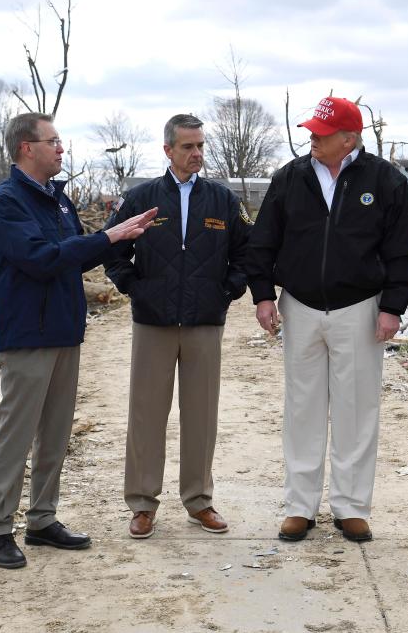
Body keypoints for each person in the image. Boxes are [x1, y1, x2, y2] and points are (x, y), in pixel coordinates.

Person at [0, 112, 156, 568]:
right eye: (53, 141)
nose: (61, 148)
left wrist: (122, 237)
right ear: (26, 148)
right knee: (17, 436)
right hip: (27, 336)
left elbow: (75, 256)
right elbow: (40, 259)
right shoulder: (7, 200)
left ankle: (42, 520)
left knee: (55, 434)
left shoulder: (57, 199)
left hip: (64, 329)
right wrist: (106, 236)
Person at [246, 97, 408, 543]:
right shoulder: (291, 176)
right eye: (311, 133)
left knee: (357, 409)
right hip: (301, 307)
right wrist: (263, 296)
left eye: (320, 135)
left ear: (349, 138)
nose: (312, 140)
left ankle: (351, 507)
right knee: (302, 408)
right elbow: (264, 239)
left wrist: (392, 307)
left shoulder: (384, 181)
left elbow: (403, 250)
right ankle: (299, 507)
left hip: (359, 308)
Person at [104, 113, 251, 539]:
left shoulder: (222, 200)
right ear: (168, 150)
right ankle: (143, 503)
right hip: (154, 321)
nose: (197, 154)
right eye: (188, 147)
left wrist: (228, 291)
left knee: (201, 413)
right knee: (147, 414)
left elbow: (246, 251)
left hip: (205, 321)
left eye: (201, 146)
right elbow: (112, 246)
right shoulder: (142, 198)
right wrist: (136, 288)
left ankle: (199, 501)